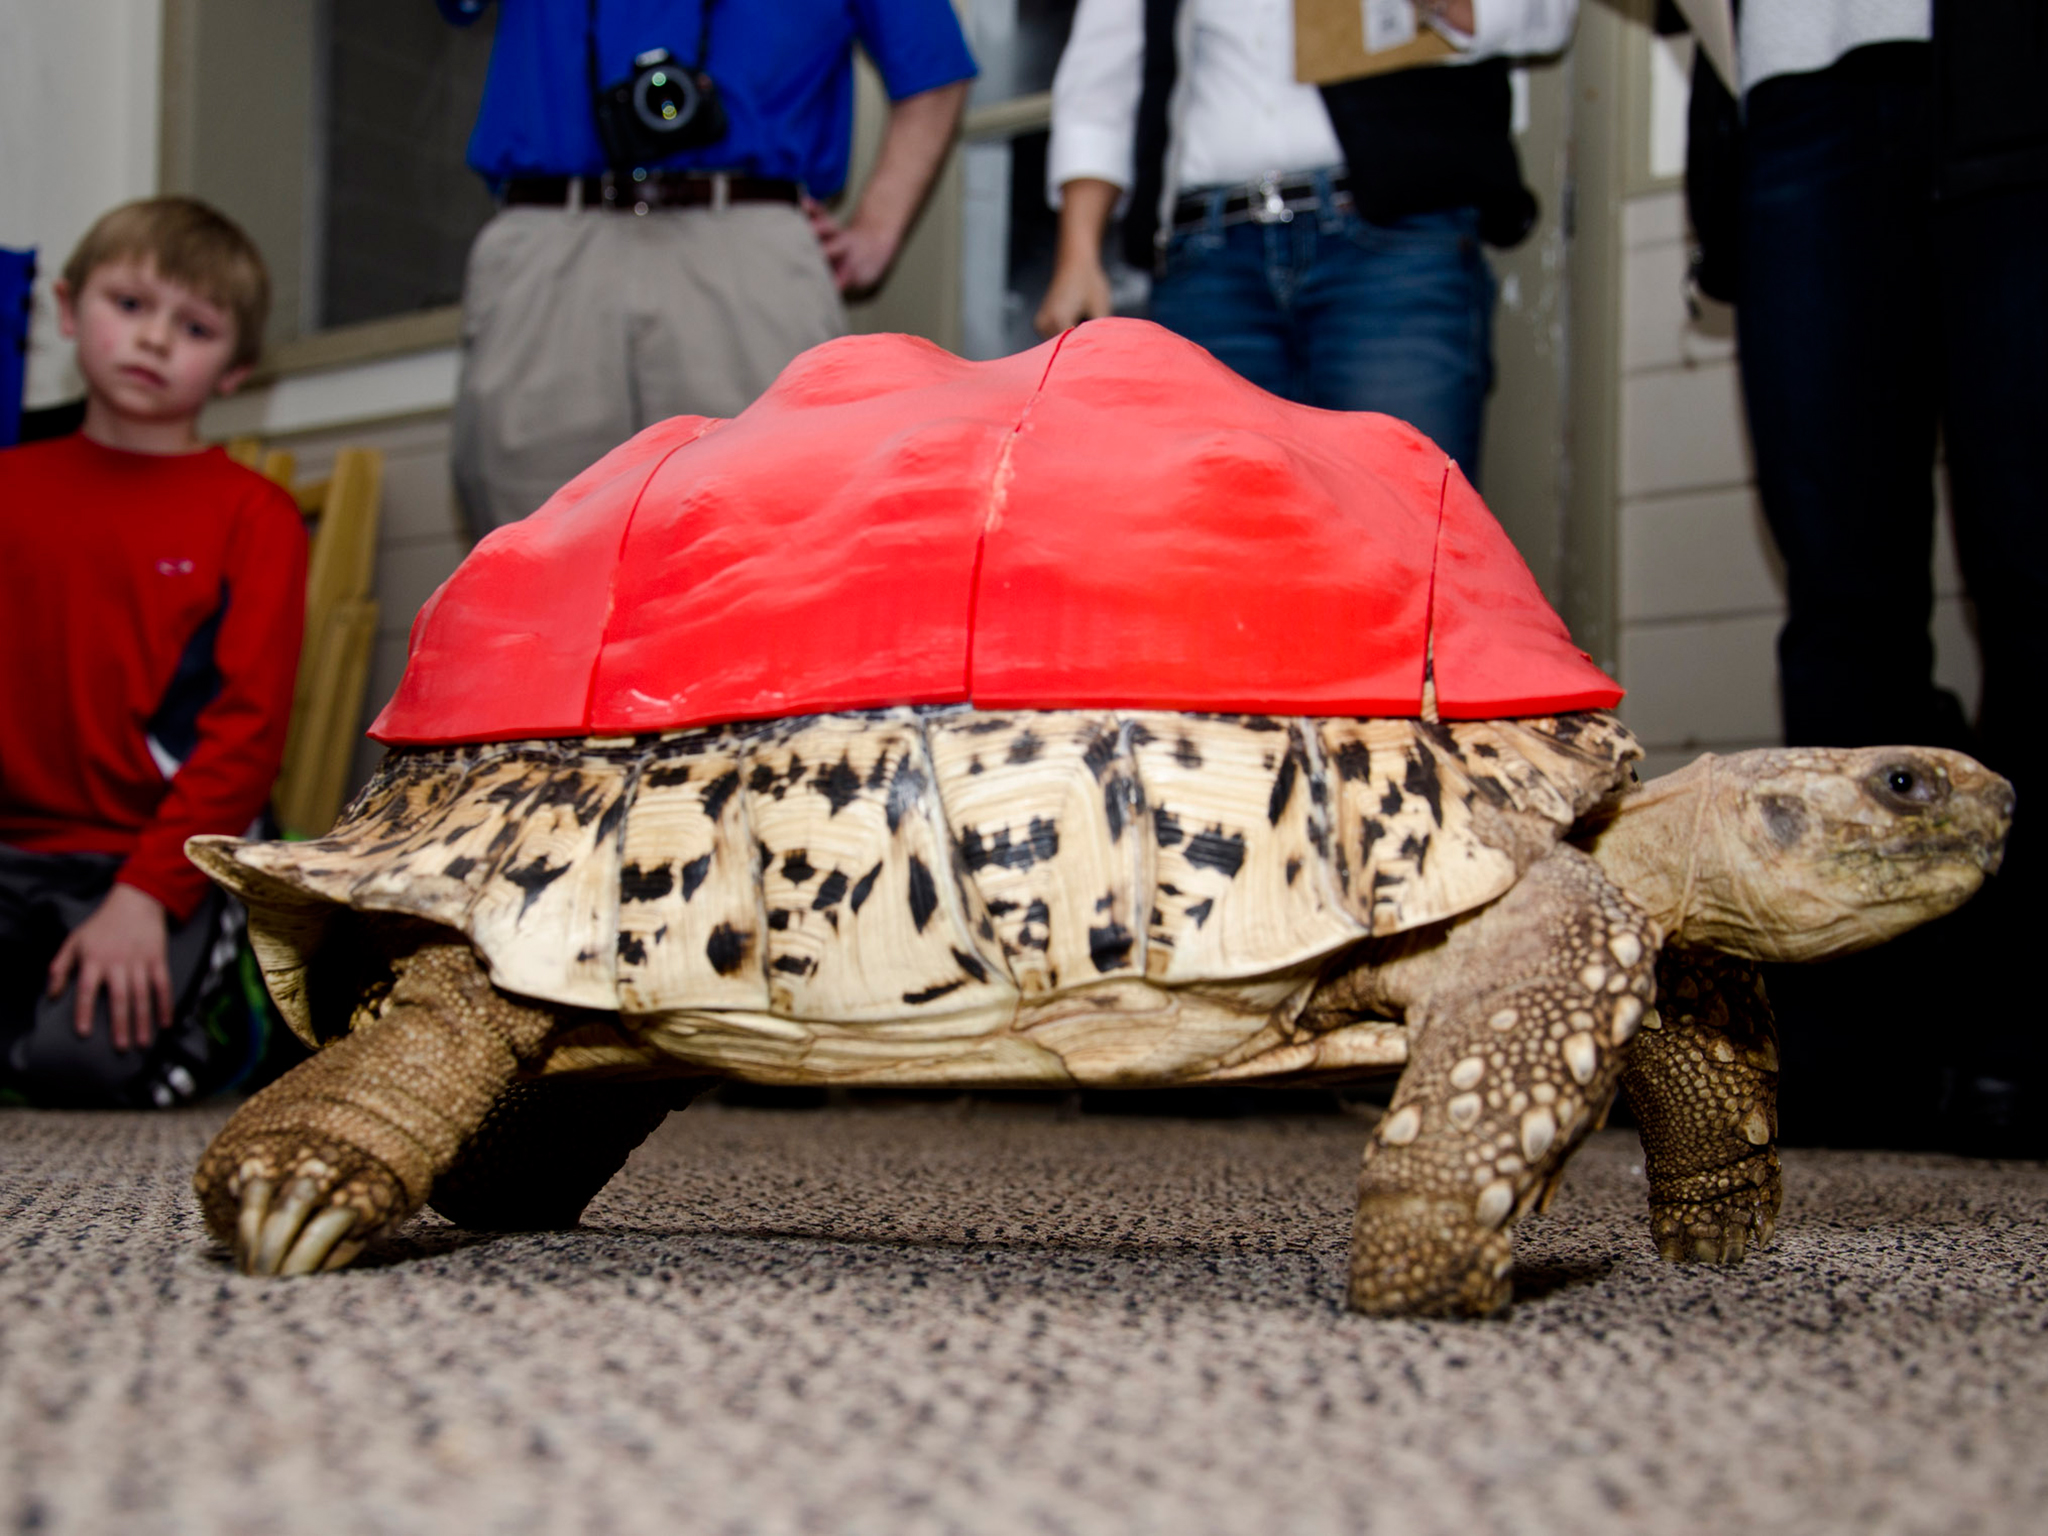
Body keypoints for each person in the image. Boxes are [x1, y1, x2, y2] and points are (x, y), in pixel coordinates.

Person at [1690, 0, 2047, 1155]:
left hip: (2016, 76)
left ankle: (2018, 1026)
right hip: (1798, 90)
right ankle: (1858, 1027)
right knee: (1840, 601)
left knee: (2033, 573)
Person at [438, 0, 976, 539]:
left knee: (771, 535)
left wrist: (878, 228)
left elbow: (934, 66)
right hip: (551, 239)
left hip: (746, 243)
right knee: (527, 548)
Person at [0, 198, 308, 1108]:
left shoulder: (254, 517)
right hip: (13, 849)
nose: (154, 340)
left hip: (149, 859)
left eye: (196, 325)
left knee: (85, 1070)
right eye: (128, 304)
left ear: (235, 368)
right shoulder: (10, 487)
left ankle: (230, 1016)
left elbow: (245, 739)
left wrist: (147, 893)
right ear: (66, 309)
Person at [1035, 0, 1577, 480]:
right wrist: (1078, 253)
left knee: (1405, 530)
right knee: (1222, 544)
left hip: (1391, 249)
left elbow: (1548, 18)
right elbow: (1102, 80)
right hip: (1208, 262)